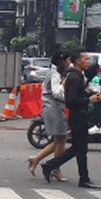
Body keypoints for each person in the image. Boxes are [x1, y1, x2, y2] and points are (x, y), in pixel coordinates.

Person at [42, 50, 101, 189]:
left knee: (79, 148)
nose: (88, 62)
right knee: (80, 148)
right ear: (77, 61)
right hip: (77, 116)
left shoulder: (77, 76)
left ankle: (51, 166)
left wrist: (88, 93)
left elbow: (76, 95)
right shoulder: (74, 77)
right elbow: (70, 101)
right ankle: (82, 178)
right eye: (86, 59)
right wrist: (89, 99)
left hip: (80, 115)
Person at [27, 50, 71, 181]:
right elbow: (57, 93)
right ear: (62, 61)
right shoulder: (55, 74)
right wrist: (64, 86)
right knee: (61, 140)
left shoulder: (55, 72)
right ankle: (55, 169)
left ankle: (37, 159)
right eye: (68, 60)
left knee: (60, 140)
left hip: (54, 109)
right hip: (54, 109)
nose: (70, 62)